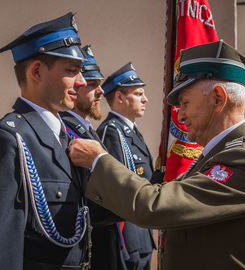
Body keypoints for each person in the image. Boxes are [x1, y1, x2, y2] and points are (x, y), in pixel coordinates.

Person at [67, 40, 245, 270]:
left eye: (185, 103)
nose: (180, 117)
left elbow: (156, 205)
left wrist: (98, 160)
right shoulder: (223, 153)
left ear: (218, 98)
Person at [0, 13, 92, 270]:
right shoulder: (9, 139)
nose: (82, 81)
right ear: (37, 71)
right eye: (71, 70)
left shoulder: (69, 135)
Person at [60, 45, 126, 270]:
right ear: (75, 86)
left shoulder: (86, 130)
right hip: (92, 243)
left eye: (99, 84)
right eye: (92, 84)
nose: (100, 91)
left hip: (107, 239)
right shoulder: (67, 132)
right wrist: (132, 203)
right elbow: (88, 201)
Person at [96, 63, 156, 270]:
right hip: (126, 239)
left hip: (141, 236)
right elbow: (116, 188)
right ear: (120, 97)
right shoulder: (111, 132)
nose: (145, 99)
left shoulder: (130, 131)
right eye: (138, 94)